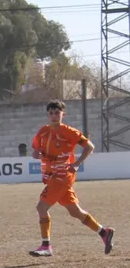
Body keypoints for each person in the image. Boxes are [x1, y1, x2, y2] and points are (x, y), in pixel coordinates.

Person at [28, 100, 115, 257]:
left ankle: (46, 245)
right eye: (51, 113)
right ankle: (104, 232)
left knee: (41, 208)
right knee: (75, 212)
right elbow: (35, 150)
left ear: (63, 114)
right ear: (47, 115)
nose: (54, 116)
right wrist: (36, 153)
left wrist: (77, 163)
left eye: (57, 113)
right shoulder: (43, 131)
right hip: (51, 176)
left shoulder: (69, 132)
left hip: (62, 176)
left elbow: (89, 147)